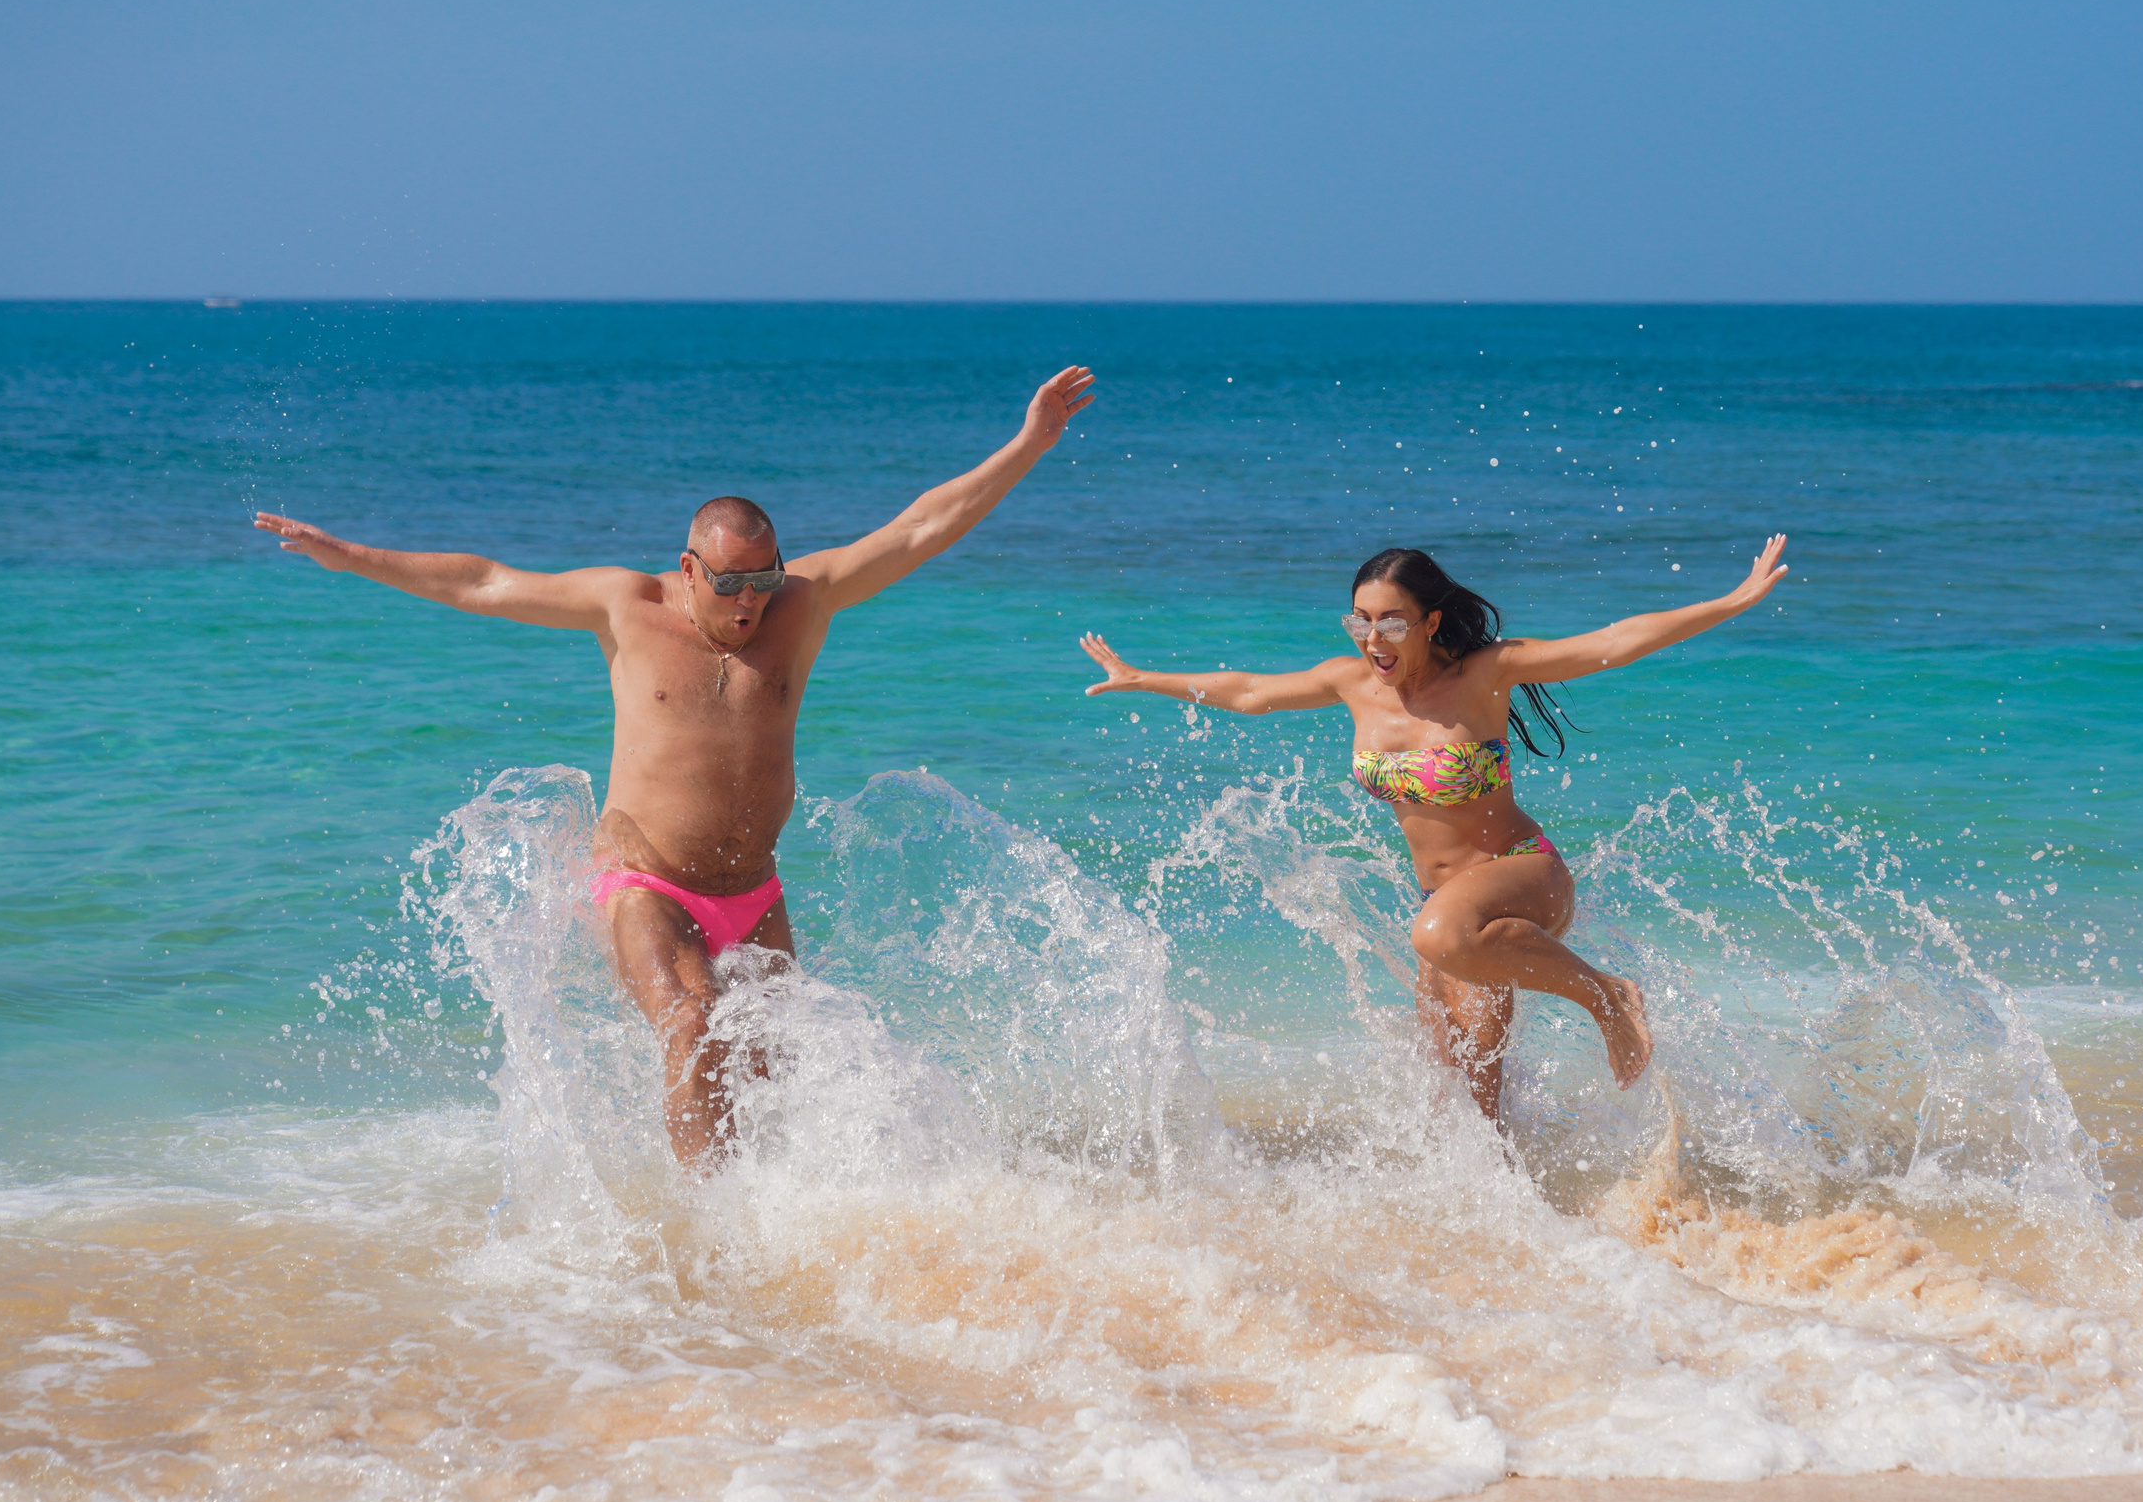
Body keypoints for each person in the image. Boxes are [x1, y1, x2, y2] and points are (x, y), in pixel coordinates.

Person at [253, 366, 1097, 1169]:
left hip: (757, 893)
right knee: (691, 1024)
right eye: (730, 583)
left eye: (763, 579)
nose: (749, 602)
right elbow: (485, 582)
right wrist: (352, 555)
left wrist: (1028, 444)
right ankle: (705, 1245)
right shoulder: (627, 606)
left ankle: (781, 1244)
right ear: (690, 568)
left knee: (777, 1075)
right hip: (645, 884)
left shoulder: (801, 603)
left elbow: (920, 526)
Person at [1077, 536, 1787, 1119]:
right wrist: (1142, 678)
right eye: (1360, 621)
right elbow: (1252, 691)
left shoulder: (1485, 675)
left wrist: (1732, 600)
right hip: (1447, 910)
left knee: (1439, 937)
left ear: (1431, 623)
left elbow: (1612, 643)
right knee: (1462, 1101)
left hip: (1519, 876)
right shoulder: (1350, 683)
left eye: (1390, 621)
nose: (1373, 639)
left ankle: (1611, 997)